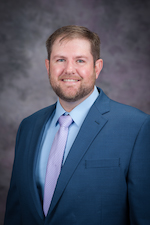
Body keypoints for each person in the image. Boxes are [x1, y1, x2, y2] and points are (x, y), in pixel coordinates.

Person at [4, 25, 150, 225]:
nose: (69, 69)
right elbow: (16, 211)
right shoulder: (28, 127)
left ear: (96, 68)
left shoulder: (137, 127)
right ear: (48, 66)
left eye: (80, 60)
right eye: (60, 60)